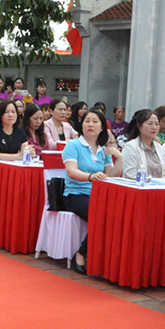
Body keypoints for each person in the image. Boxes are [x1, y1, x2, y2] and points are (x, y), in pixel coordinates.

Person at [62, 108, 122, 274]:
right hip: (76, 194)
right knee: (102, 215)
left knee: (118, 214)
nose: (90, 124)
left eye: (95, 122)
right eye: (87, 121)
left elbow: (111, 175)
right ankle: (81, 253)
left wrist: (121, 158)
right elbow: (71, 171)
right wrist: (91, 177)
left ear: (102, 128)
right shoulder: (73, 145)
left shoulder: (103, 149)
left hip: (99, 195)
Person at [0, 100, 30, 183]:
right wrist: (18, 156)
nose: (11, 115)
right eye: (6, 112)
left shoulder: (21, 132)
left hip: (14, 173)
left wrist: (26, 153)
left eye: (13, 112)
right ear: (0, 114)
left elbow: (25, 152)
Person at [121, 109, 165, 180]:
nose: (154, 127)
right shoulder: (131, 146)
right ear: (139, 126)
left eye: (157, 124)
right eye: (150, 123)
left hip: (159, 188)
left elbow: (164, 173)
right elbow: (130, 175)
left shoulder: (159, 147)